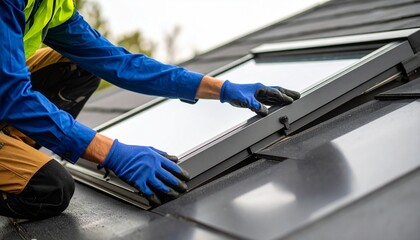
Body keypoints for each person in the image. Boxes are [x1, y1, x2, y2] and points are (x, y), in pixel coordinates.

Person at [0, 0, 300, 219]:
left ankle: (11, 143)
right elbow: (13, 95)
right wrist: (111, 153)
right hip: (7, 93)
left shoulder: (51, 4)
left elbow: (119, 63)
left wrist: (219, 88)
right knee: (50, 188)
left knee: (75, 65)